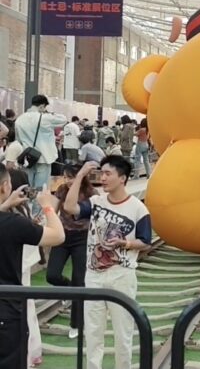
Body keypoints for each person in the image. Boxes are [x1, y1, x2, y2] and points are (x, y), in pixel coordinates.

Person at [63, 157, 152, 369]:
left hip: (122, 276)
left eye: (108, 174)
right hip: (94, 275)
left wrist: (125, 243)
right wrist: (80, 175)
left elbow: (145, 242)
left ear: (122, 178)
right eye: (101, 173)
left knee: (123, 333)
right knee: (93, 332)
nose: (102, 178)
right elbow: (69, 206)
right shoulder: (96, 202)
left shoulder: (138, 209)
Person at [0, 163, 65, 369]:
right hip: (6, 310)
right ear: (5, 186)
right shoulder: (13, 223)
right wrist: (47, 205)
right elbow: (58, 236)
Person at [47, 165, 94, 339]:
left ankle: (76, 324)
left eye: (71, 177)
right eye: (65, 177)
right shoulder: (62, 189)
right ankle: (67, 290)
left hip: (82, 238)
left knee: (79, 282)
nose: (67, 181)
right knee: (52, 275)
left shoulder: (91, 193)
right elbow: (53, 209)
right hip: (62, 236)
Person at [14, 95, 67, 189]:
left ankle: (28, 198)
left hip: (27, 158)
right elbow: (63, 119)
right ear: (42, 106)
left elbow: (18, 139)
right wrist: (49, 113)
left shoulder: (19, 119)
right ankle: (37, 199)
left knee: (27, 186)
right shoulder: (44, 118)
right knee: (41, 188)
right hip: (44, 157)